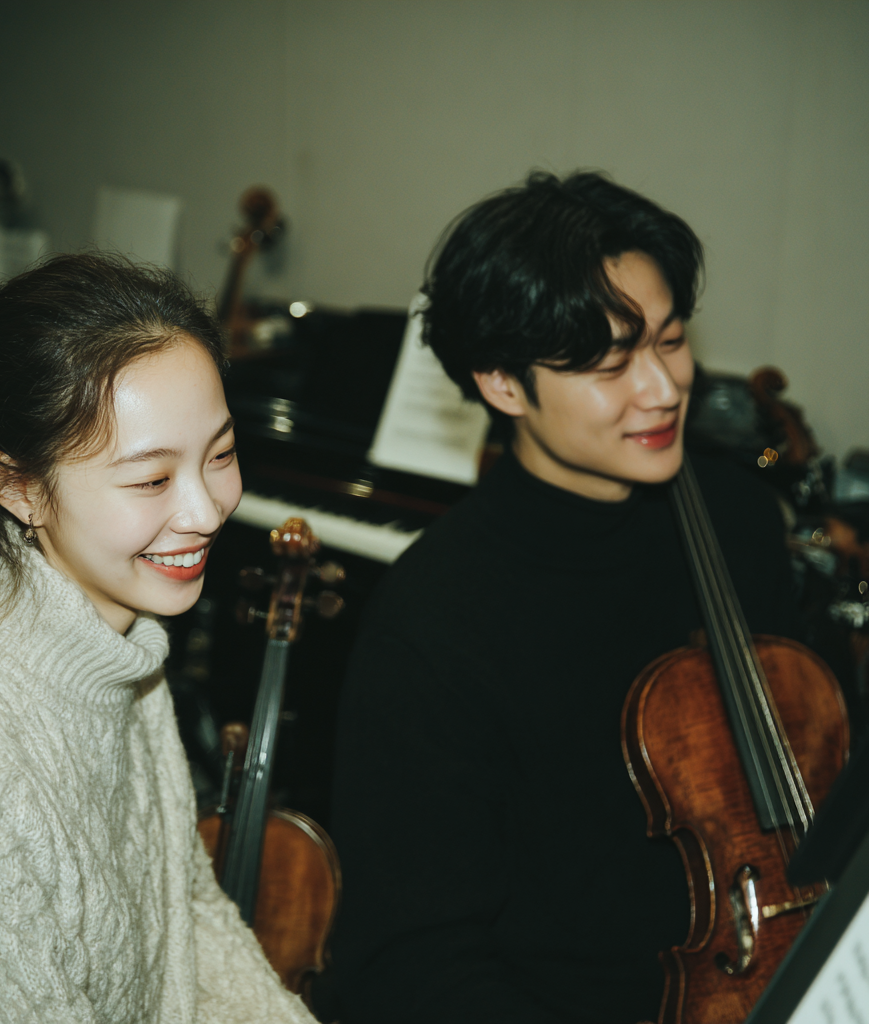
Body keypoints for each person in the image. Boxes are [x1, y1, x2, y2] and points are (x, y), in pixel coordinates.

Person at [330, 172, 796, 1023]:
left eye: (671, 340)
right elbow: (413, 963)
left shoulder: (740, 517)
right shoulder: (432, 621)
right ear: (503, 383)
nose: (662, 388)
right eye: (611, 364)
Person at [0, 254, 315, 1024]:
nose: (207, 510)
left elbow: (188, 920)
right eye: (151, 480)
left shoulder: (123, 651)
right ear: (19, 487)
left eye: (221, 454)